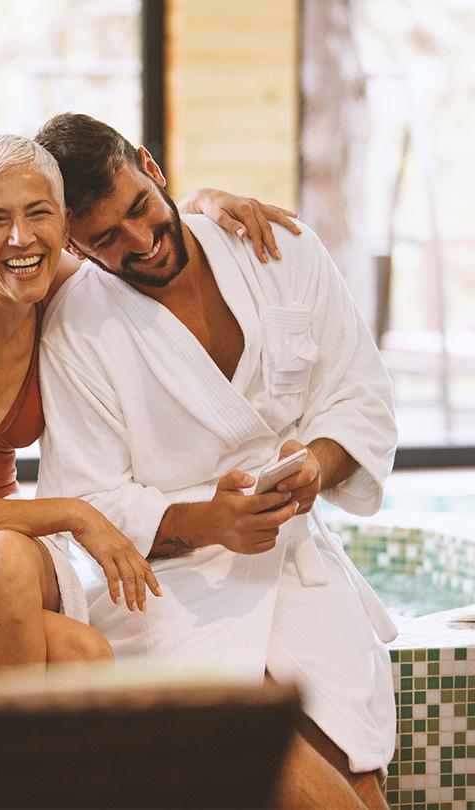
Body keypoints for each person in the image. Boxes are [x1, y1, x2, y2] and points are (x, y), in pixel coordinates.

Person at [0, 133, 296, 698]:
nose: (21, 237)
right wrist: (77, 514)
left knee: (71, 633)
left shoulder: (53, 288)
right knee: (74, 643)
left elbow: (132, 242)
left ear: (63, 232)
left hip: (0, 558)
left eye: (38, 214)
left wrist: (203, 203)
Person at [34, 113, 398, 809]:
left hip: (294, 563)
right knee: (257, 735)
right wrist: (209, 522)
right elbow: (89, 499)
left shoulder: (277, 250)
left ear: (151, 166)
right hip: (167, 588)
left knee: (351, 762)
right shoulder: (77, 328)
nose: (140, 240)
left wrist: (317, 464)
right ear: (76, 246)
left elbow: (364, 397)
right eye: (106, 238)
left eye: (140, 207)